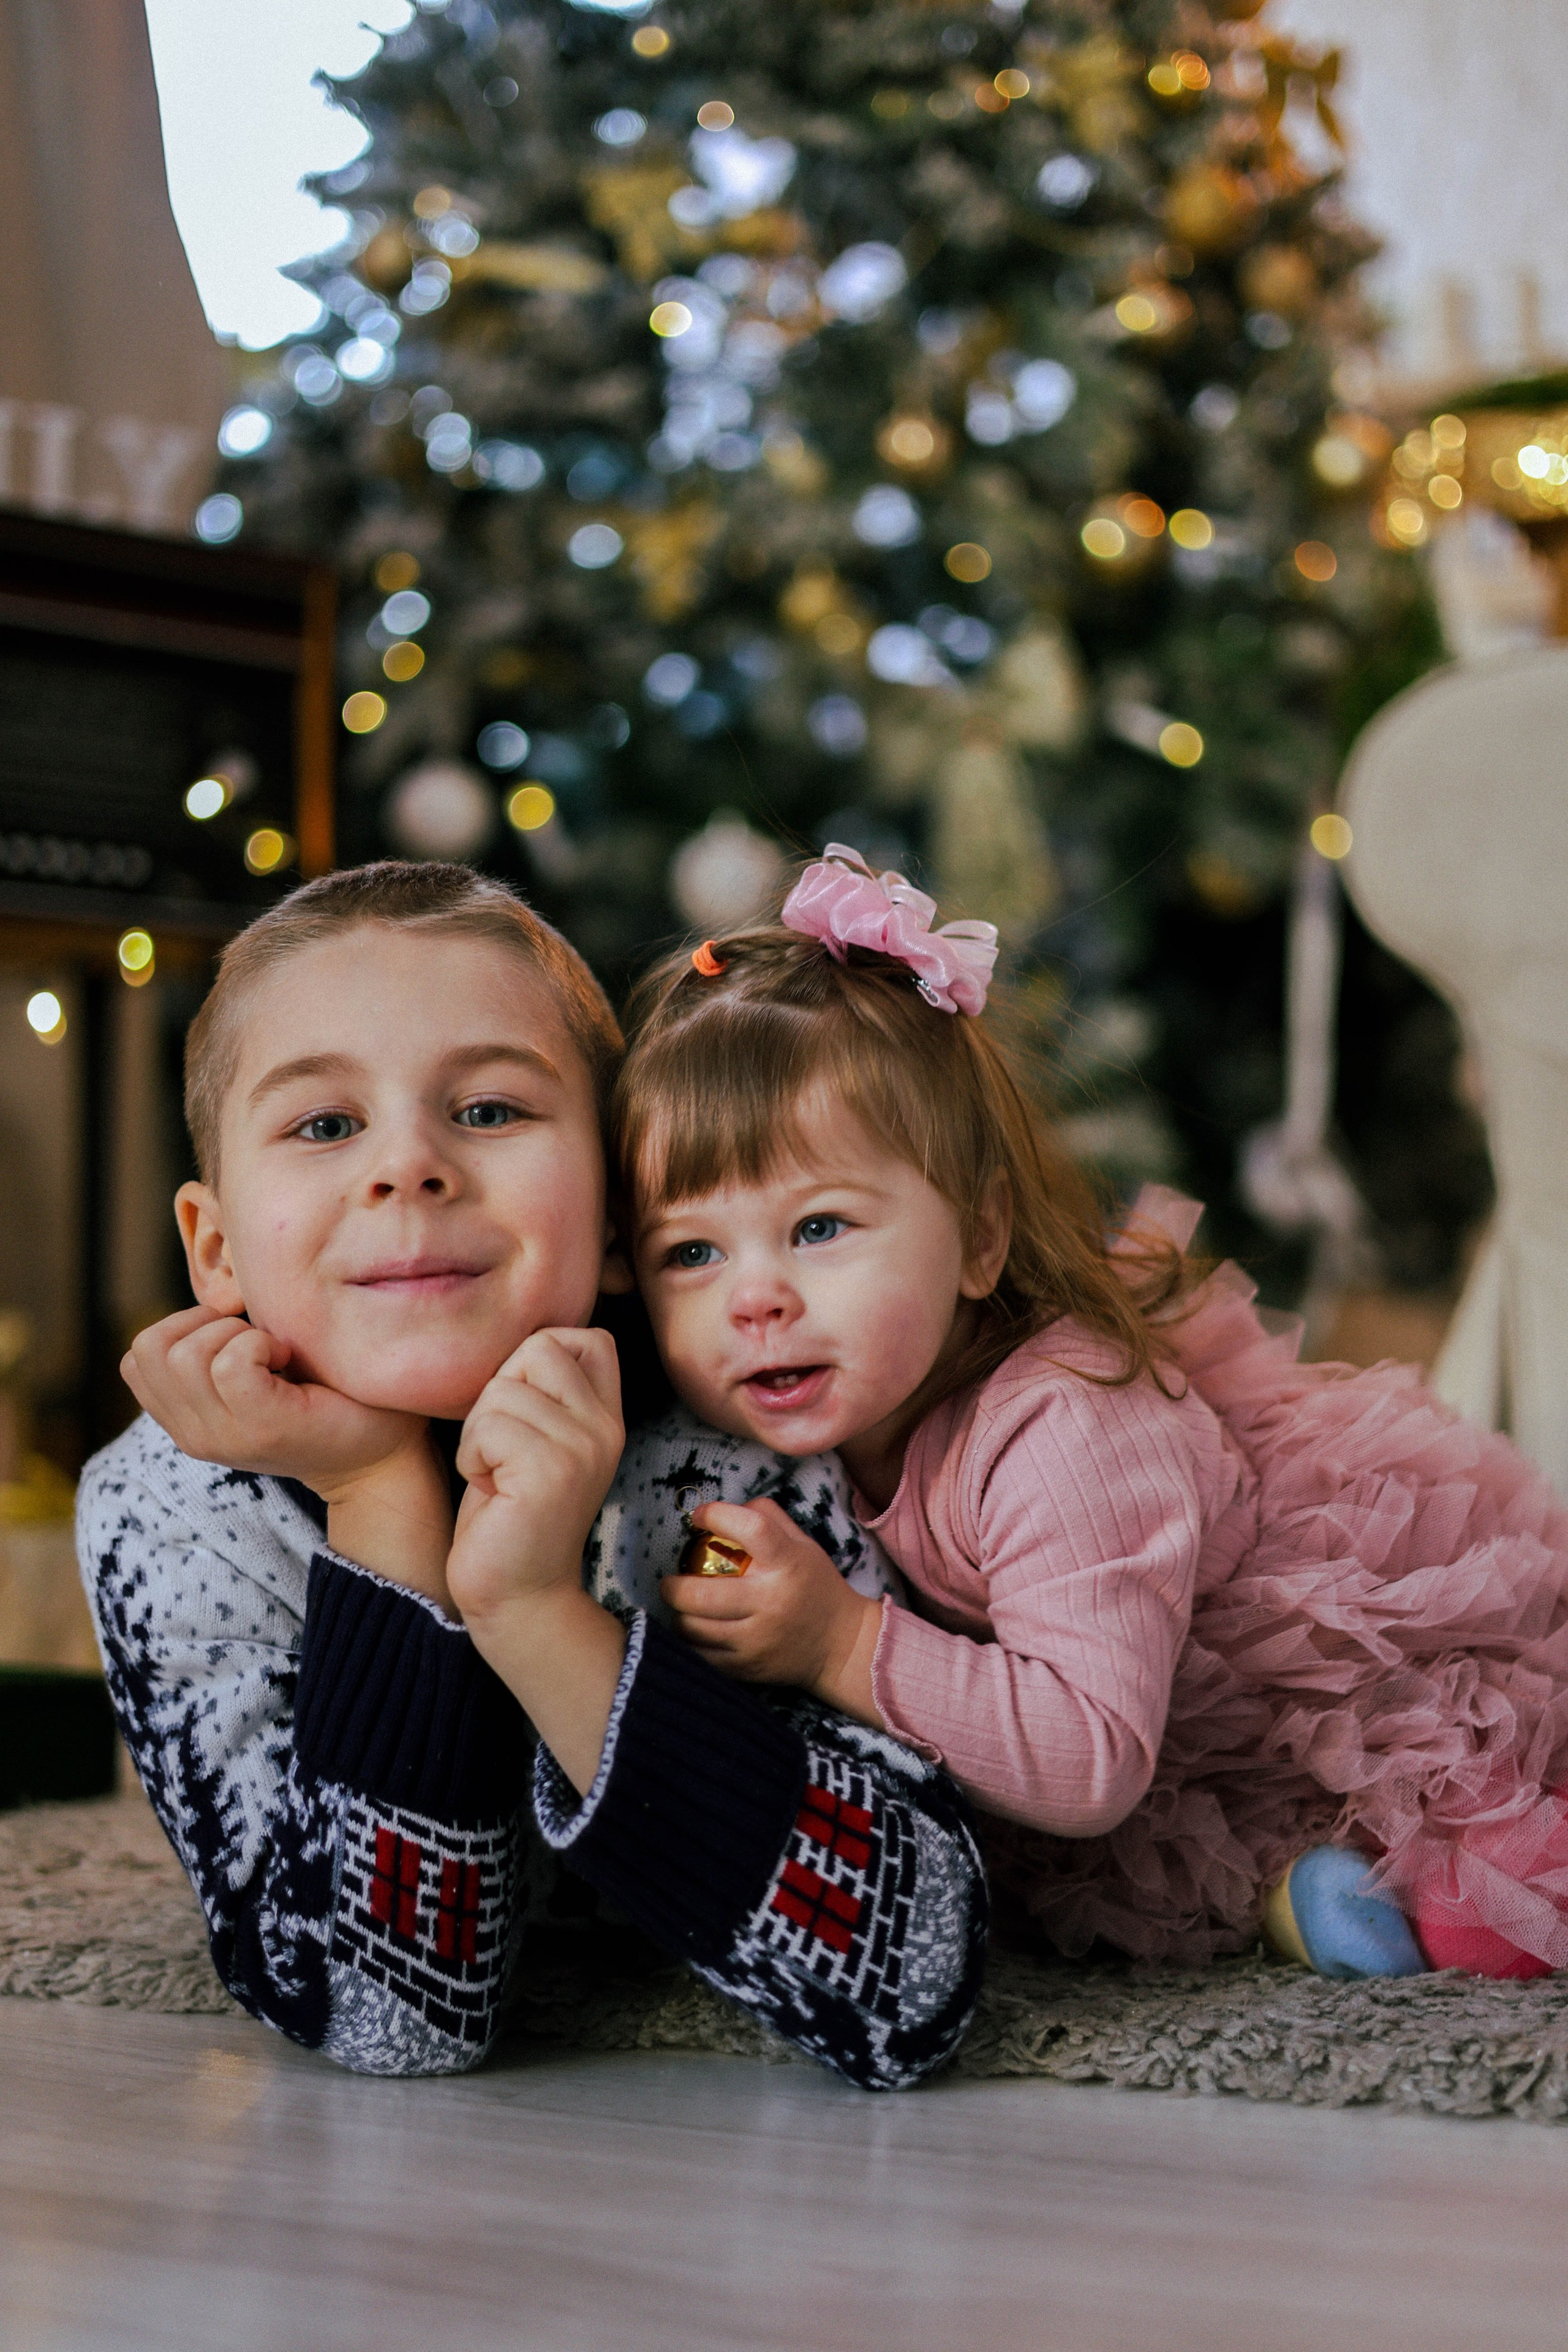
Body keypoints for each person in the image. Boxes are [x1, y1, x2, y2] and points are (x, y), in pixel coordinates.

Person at [77, 861, 987, 2087]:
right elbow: (387, 2022)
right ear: (216, 1248)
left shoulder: (721, 1463)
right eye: (325, 1125)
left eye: (491, 1110)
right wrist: (378, 1499)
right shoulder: (171, 1508)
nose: (407, 1168)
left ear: (617, 1220)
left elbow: (913, 1983)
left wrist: (532, 1609)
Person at [616, 844, 1568, 1984]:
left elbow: (1083, 1760)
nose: (755, 1297)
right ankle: (1314, 1888)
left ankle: (1435, 1870)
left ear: (979, 1239)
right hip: (1170, 1730)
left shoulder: (1064, 1430)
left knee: (1504, 1882)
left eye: (820, 1229)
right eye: (692, 1252)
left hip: (1362, 1689)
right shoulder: (755, 1440)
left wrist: (838, 1641)